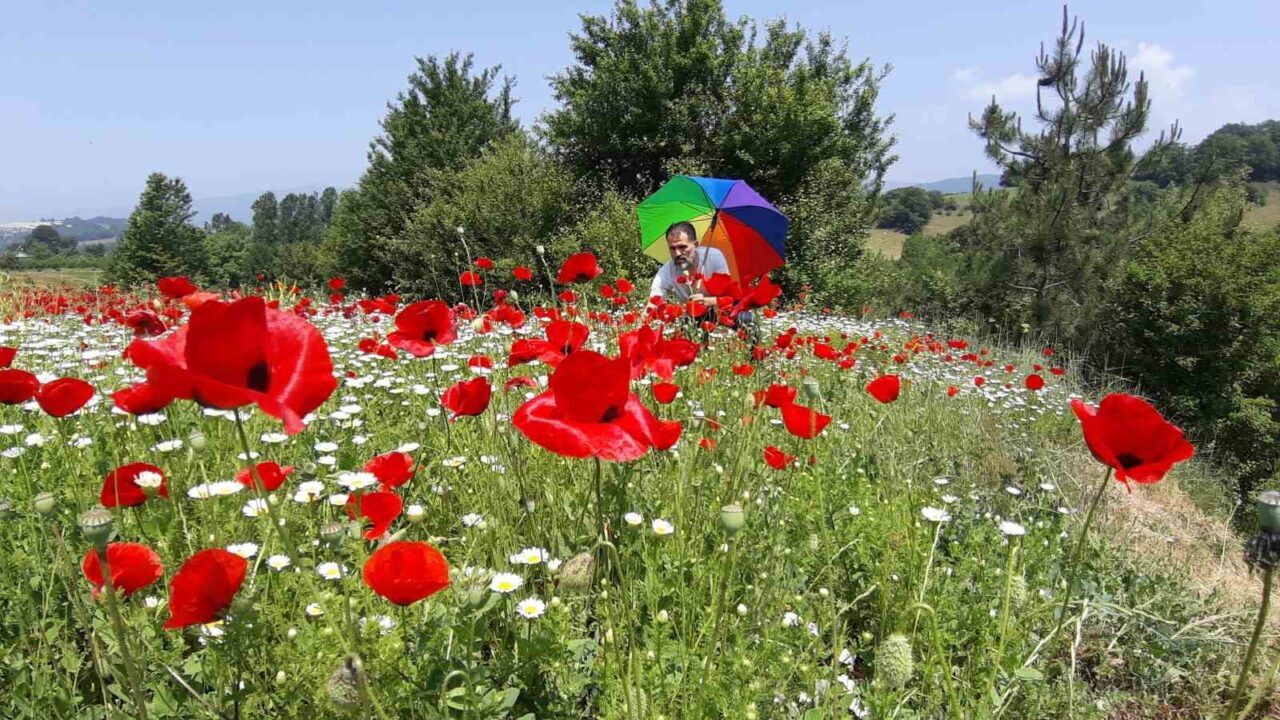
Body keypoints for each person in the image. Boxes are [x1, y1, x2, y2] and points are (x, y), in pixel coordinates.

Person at [647, 221, 729, 307]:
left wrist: (707, 301)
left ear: (696, 245)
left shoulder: (714, 257)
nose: (677, 253)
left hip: (717, 312)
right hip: (689, 316)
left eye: (682, 247)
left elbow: (729, 299)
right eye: (672, 248)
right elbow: (652, 304)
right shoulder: (666, 271)